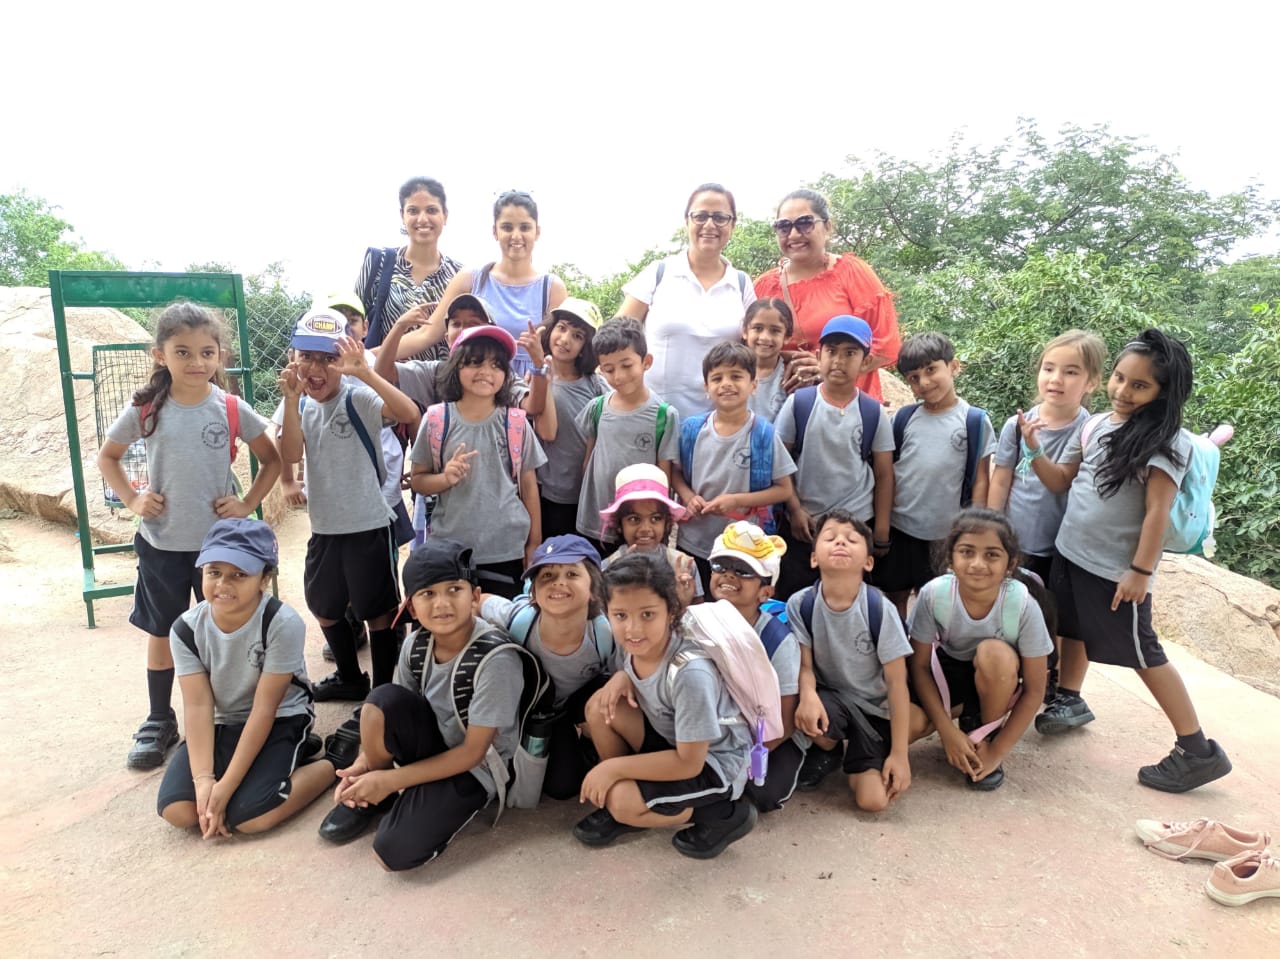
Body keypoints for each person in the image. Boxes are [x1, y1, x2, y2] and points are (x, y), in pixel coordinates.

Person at [1024, 329, 1232, 792]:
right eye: (1119, 378)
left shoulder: (1166, 443)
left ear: (1164, 393)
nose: (1123, 391)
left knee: (1144, 653)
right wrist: (1034, 449)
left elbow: (1158, 511)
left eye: (1139, 386)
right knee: (1070, 627)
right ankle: (1070, 698)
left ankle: (1196, 749)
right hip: (1072, 553)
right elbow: (1062, 482)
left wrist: (1140, 572)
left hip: (1115, 571)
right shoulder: (1097, 424)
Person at [99, 302, 281, 770]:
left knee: (220, 629)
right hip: (161, 542)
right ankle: (160, 719)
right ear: (159, 355)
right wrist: (134, 499)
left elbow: (273, 459)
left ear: (220, 355)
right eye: (183, 352)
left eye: (207, 352)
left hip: (218, 550)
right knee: (163, 630)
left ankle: (222, 716)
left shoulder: (232, 408)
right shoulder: (146, 409)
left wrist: (245, 504)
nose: (196, 363)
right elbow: (108, 458)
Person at [316, 539, 525, 870]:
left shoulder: (496, 659)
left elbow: (473, 752)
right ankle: (375, 796)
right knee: (379, 701)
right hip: (433, 743)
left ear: (474, 597)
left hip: (476, 766)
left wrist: (393, 781)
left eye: (454, 589)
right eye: (428, 594)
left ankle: (396, 791)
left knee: (392, 853)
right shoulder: (416, 643)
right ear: (412, 607)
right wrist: (365, 764)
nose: (442, 603)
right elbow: (391, 711)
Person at [156, 519, 334, 837]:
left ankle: (331, 762)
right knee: (179, 811)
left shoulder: (281, 623)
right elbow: (197, 707)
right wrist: (205, 781)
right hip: (222, 721)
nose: (224, 584)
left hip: (279, 717)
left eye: (239, 574)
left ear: (265, 578)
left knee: (250, 817)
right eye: (214, 572)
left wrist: (227, 786)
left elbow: (265, 708)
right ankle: (275, 765)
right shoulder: (184, 630)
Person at [574, 553, 757, 859]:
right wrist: (622, 676)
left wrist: (612, 768)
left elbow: (690, 763)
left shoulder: (690, 673)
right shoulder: (634, 648)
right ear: (607, 613)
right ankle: (637, 800)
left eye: (647, 615)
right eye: (621, 616)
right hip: (673, 739)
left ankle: (722, 814)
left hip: (712, 763)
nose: (633, 629)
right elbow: (634, 674)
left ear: (671, 611)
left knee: (621, 799)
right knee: (599, 708)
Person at [277, 309, 419, 700]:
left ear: (344, 360)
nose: (315, 367)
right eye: (307, 356)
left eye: (328, 358)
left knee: (379, 612)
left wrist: (365, 373)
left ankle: (383, 689)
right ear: (294, 358)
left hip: (368, 525)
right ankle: (349, 677)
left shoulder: (358, 397)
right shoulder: (302, 405)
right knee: (324, 606)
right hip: (325, 527)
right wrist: (290, 402)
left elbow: (409, 413)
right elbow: (289, 453)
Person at [988, 330, 1106, 699]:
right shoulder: (1016, 424)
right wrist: (993, 530)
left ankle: (1056, 686)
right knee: (1016, 610)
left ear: (1092, 382)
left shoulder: (1090, 430)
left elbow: (1068, 484)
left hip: (1063, 547)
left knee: (1059, 617)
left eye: (1071, 372)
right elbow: (1002, 476)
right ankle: (1021, 676)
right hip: (1018, 540)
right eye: (1048, 368)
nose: (1056, 379)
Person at [908, 509, 1053, 790]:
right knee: (906, 730)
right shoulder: (934, 594)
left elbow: (1036, 689)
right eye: (967, 552)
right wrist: (947, 732)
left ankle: (984, 734)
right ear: (951, 558)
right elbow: (920, 667)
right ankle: (963, 716)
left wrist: (997, 752)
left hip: (998, 675)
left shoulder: (1021, 604)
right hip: (949, 672)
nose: (977, 564)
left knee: (993, 653)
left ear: (1010, 564)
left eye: (991, 555)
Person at [787, 511, 922, 812]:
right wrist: (807, 695)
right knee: (797, 702)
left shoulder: (879, 608)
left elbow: (897, 683)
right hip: (830, 700)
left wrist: (900, 755)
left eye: (851, 540)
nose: (840, 543)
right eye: (830, 537)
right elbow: (804, 666)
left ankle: (856, 756)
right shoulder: (801, 604)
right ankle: (827, 748)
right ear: (813, 558)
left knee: (873, 801)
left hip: (873, 712)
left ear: (868, 562)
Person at [408, 326, 547, 598]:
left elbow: (529, 488)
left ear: (506, 375)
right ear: (456, 367)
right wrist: (444, 478)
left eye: (496, 365)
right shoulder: (436, 420)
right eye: (474, 362)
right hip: (450, 550)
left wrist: (534, 544)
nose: (486, 371)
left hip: (507, 549)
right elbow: (418, 481)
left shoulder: (516, 423)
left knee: (503, 628)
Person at [480, 535, 613, 799]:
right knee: (557, 787)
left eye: (572, 573)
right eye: (548, 575)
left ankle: (591, 743)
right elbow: (482, 601)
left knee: (564, 787)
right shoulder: (519, 620)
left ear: (594, 589)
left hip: (565, 709)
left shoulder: (602, 634)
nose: (559, 582)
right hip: (526, 709)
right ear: (535, 592)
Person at [874, 331, 995, 619]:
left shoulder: (974, 421)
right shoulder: (904, 419)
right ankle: (898, 652)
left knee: (938, 605)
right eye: (914, 378)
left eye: (931, 370)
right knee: (894, 596)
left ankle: (926, 661)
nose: (924, 382)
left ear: (954, 367)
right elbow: (889, 472)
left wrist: (972, 533)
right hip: (901, 529)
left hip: (944, 535)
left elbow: (981, 480)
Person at [775, 316, 894, 600]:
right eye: (831, 351)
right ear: (819, 355)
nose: (839, 360)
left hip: (855, 526)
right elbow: (780, 462)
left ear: (865, 362)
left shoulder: (872, 412)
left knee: (845, 599)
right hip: (805, 525)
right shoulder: (799, 404)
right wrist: (794, 510)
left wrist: (879, 531)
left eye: (850, 353)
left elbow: (884, 474)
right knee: (795, 598)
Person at [616, 183, 757, 416]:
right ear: (687, 222)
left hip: (718, 423)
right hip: (653, 418)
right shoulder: (659, 273)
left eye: (720, 217)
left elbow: (757, 349)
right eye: (700, 216)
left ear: (732, 225)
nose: (710, 225)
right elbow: (616, 336)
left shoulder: (741, 284)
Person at [392, 190, 568, 377]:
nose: (516, 236)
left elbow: (564, 355)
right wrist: (367, 356)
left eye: (524, 228)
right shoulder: (472, 279)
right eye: (507, 227)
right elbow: (426, 334)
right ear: (495, 232)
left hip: (531, 392)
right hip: (477, 388)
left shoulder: (551, 289)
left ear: (537, 232)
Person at [670, 341, 796, 591]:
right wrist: (688, 496)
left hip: (743, 548)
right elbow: (675, 473)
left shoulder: (764, 435)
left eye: (736, 376)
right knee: (695, 604)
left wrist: (736, 500)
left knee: (736, 606)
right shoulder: (692, 430)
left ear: (753, 385)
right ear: (706, 388)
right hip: (694, 540)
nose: (726, 383)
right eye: (717, 378)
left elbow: (783, 490)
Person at [753, 189, 901, 401]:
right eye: (784, 227)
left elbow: (886, 345)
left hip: (848, 406)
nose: (794, 234)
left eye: (805, 223)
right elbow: (747, 347)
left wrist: (830, 368)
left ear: (828, 227)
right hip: (782, 408)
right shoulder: (764, 287)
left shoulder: (851, 272)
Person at [705, 521, 805, 812]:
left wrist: (735, 758)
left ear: (766, 592)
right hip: (717, 728)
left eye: (744, 571)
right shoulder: (697, 622)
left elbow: (784, 723)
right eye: (720, 566)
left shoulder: (777, 641)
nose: (728, 576)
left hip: (766, 736)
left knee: (763, 794)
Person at [574, 318, 681, 551]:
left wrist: (660, 523)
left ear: (646, 362)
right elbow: (589, 457)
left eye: (626, 365)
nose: (619, 377)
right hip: (595, 517)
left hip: (639, 525)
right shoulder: (597, 407)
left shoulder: (664, 415)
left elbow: (664, 475)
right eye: (609, 370)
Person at [357, 177, 463, 359]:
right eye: (413, 210)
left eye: (431, 210)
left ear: (445, 215)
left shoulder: (458, 275)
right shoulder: (379, 262)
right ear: (402, 216)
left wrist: (365, 360)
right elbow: (352, 321)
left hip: (437, 383)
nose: (422, 219)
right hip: (380, 381)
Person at [536, 297, 607, 538]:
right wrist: (542, 379)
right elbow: (546, 432)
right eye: (562, 328)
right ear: (550, 328)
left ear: (586, 346)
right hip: (549, 492)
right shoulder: (533, 381)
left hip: (589, 494)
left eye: (577, 335)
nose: (565, 339)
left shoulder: (596, 385)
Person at [599, 464, 701, 607]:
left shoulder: (684, 565)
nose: (645, 528)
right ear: (620, 525)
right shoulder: (608, 568)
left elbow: (698, 612)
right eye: (634, 519)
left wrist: (682, 601)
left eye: (656, 518)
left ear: (667, 523)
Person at [743, 298, 795, 423]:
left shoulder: (791, 377)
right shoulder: (731, 370)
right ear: (745, 331)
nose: (765, 337)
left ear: (787, 336)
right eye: (758, 328)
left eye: (775, 330)